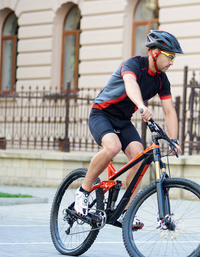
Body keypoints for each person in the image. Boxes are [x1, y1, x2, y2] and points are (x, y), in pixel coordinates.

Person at [74, 30, 183, 229]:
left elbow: (169, 111)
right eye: (170, 56)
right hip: (102, 114)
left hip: (122, 120)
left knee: (139, 157)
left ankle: (126, 211)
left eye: (174, 58)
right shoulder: (134, 64)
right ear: (156, 52)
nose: (172, 62)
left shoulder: (161, 80)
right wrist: (141, 106)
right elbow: (130, 84)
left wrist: (173, 140)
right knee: (113, 146)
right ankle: (83, 190)